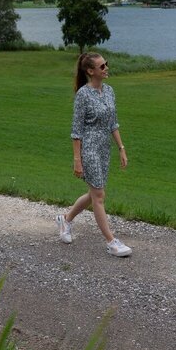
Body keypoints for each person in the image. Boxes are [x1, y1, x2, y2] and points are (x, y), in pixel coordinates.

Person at [56, 51, 132, 257]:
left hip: (103, 148)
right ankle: (111, 241)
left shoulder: (109, 91)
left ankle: (66, 219)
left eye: (106, 64)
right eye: (102, 66)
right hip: (88, 148)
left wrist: (121, 148)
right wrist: (77, 160)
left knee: (94, 194)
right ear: (91, 71)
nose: (106, 68)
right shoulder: (83, 94)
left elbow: (113, 123)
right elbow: (76, 131)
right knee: (99, 195)